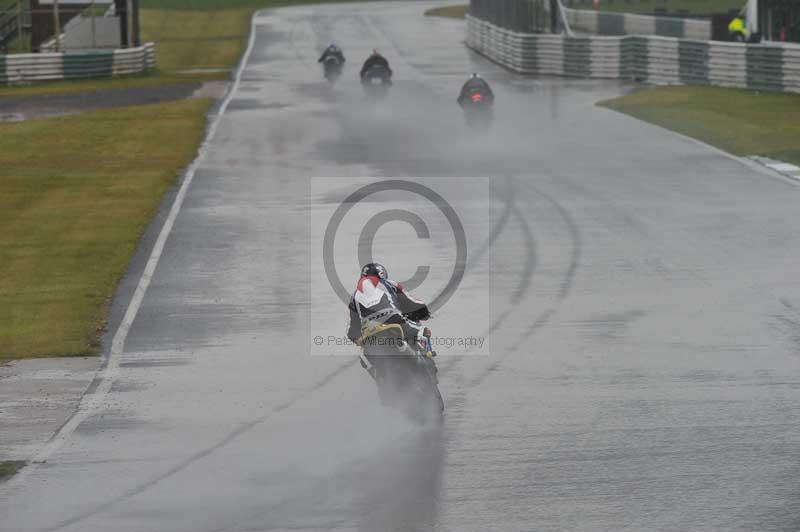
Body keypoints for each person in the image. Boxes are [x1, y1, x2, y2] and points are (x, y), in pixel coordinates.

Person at [347, 263, 431, 351]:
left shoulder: (354, 296)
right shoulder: (389, 283)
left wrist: (357, 338)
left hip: (368, 327)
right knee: (424, 331)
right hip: (392, 317)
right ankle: (427, 360)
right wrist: (424, 312)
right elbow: (411, 302)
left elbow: (352, 327)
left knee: (363, 348)